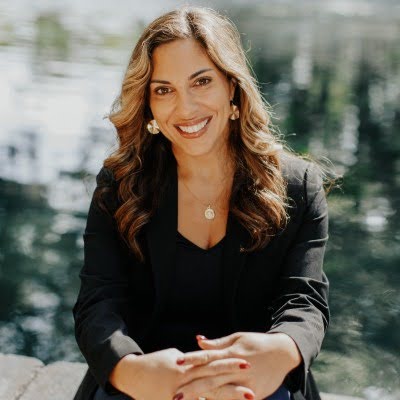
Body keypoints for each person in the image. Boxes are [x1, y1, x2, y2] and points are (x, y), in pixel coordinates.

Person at [72, 6, 330, 400]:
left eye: (202, 81)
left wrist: (281, 351)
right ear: (148, 104)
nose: (186, 108)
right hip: (144, 377)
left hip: (254, 381)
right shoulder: (119, 185)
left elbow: (305, 300)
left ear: (232, 87)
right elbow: (98, 303)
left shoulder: (299, 185)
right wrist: (132, 371)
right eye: (164, 90)